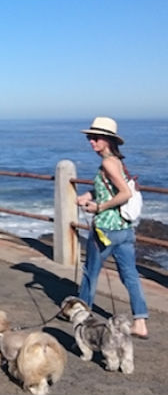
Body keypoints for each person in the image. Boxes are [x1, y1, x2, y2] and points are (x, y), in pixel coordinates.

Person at [76, 116, 149, 339]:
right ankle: (140, 322)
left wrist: (98, 207)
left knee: (90, 272)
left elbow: (124, 194)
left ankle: (81, 314)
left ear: (107, 140)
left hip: (106, 230)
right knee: (130, 275)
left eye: (95, 138)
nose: (91, 141)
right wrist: (88, 195)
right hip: (125, 229)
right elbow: (111, 189)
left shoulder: (107, 163)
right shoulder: (116, 161)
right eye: (90, 137)